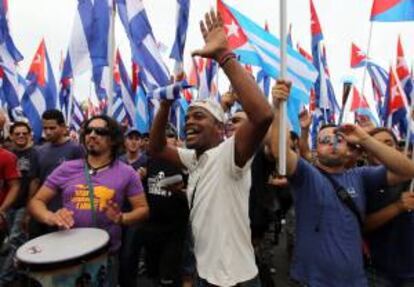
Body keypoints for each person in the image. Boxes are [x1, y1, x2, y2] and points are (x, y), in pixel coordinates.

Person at [150, 10, 273, 287]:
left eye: (199, 116)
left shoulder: (229, 153)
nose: (190, 122)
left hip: (235, 281)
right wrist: (166, 104)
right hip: (205, 275)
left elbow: (263, 114)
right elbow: (156, 148)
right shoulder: (194, 159)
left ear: (220, 128)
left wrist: (224, 56)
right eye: (188, 116)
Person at [270, 80, 414, 286]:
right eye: (324, 140)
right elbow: (279, 152)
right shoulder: (307, 175)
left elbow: (408, 170)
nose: (332, 144)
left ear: (349, 148)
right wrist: (277, 108)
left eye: (338, 139)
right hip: (313, 281)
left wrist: (365, 139)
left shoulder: (361, 176)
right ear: (315, 149)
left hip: (355, 281)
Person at [28, 115, 149, 286]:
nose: (92, 134)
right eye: (88, 130)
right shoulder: (67, 168)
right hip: (66, 254)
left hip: (105, 257)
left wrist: (122, 218)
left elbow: (143, 209)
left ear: (113, 140)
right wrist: (51, 217)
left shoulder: (127, 173)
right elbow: (36, 202)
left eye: (100, 131)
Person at [364, 128, 414, 286]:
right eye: (376, 145)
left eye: (388, 144)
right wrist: (398, 207)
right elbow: (362, 226)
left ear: (398, 149)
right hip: (378, 272)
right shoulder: (360, 180)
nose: (383, 149)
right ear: (367, 152)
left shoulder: (411, 178)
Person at [143, 124, 189, 287]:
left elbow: (194, 197)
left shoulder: (185, 164)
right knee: (154, 274)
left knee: (168, 276)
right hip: (151, 228)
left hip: (174, 230)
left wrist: (178, 191)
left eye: (169, 136)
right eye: (162, 136)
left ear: (176, 141)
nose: (164, 139)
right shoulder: (149, 162)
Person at [29, 109, 84, 237]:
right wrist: (30, 208)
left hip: (65, 211)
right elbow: (35, 181)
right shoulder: (38, 151)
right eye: (45, 128)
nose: (48, 132)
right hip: (41, 209)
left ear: (63, 127)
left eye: (52, 128)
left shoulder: (76, 149)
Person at [0, 122, 39, 285]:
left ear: (30, 135)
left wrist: (30, 209)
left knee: (16, 240)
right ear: (11, 136)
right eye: (17, 133)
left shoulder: (35, 154)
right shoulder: (7, 154)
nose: (21, 136)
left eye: (24, 133)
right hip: (8, 206)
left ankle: (4, 279)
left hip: (24, 205)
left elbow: (35, 181)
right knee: (6, 244)